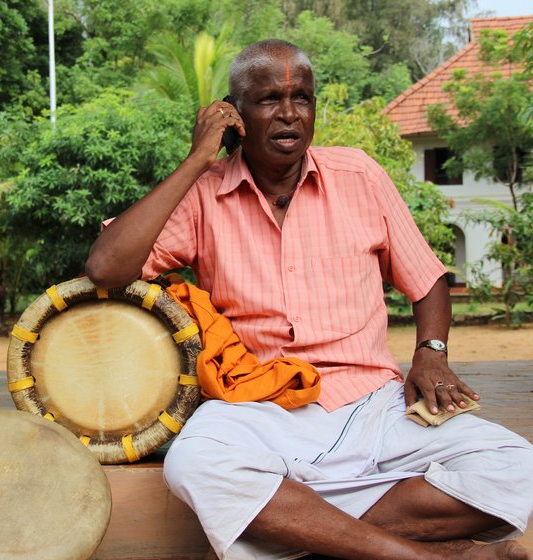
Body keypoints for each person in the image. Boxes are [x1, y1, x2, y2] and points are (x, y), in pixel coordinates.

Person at [85, 39, 533, 560]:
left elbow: (427, 278)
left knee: (516, 466)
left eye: (303, 98)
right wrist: (195, 161)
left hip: (375, 402)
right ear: (235, 114)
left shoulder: (359, 176)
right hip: (260, 404)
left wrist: (431, 351)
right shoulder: (204, 192)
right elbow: (105, 269)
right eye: (269, 99)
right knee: (195, 464)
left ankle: (295, 530)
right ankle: (430, 556)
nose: (290, 114)